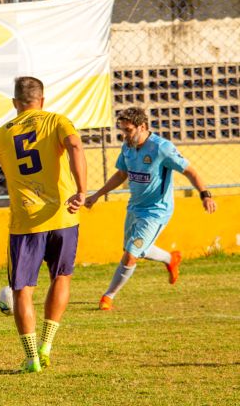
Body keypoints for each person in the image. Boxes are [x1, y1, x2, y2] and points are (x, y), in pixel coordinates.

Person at [0, 76, 87, 373]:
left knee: (22, 290)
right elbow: (74, 145)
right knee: (61, 277)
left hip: (25, 222)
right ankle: (47, 344)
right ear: (42, 100)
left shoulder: (0, 135)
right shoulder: (58, 121)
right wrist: (81, 190)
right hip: (62, 216)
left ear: (14, 103)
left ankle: (31, 356)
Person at [85, 107, 216, 310]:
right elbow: (121, 175)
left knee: (131, 254)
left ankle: (107, 297)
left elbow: (189, 171)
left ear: (142, 126)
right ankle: (170, 258)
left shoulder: (161, 148)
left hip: (156, 211)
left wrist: (205, 194)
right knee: (136, 250)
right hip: (135, 207)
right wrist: (96, 195)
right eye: (122, 130)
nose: (125, 135)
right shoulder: (127, 146)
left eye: (128, 130)